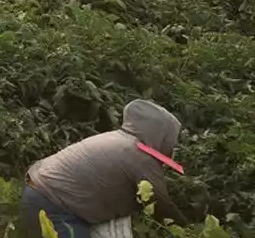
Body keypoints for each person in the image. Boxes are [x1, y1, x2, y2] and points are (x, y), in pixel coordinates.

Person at [20, 99, 190, 237]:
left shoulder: (118, 139)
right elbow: (161, 205)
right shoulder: (141, 157)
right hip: (53, 204)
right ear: (161, 136)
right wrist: (188, 230)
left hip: (41, 191)